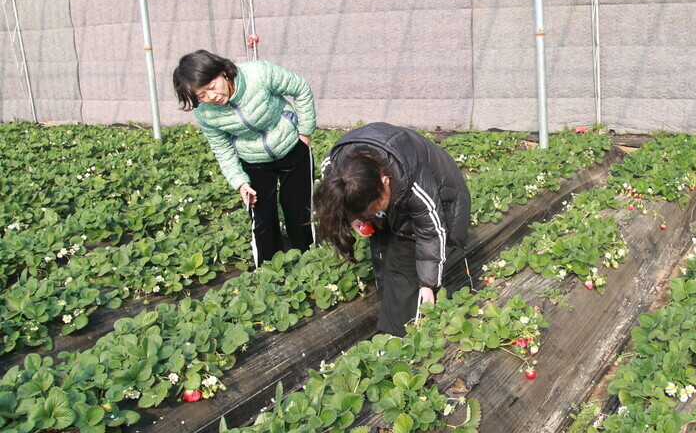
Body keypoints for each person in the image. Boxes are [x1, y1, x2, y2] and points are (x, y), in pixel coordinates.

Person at [315, 122, 471, 335]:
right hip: (398, 192)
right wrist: (355, 219)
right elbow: (343, 205)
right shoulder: (337, 173)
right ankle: (393, 309)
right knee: (383, 251)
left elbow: (431, 234)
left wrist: (427, 284)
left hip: (444, 197)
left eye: (377, 208)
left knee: (404, 268)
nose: (375, 215)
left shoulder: (412, 178)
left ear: (385, 180)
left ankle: (402, 338)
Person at [172, 49, 317, 266]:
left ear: (223, 72)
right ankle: (270, 270)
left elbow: (301, 87)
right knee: (262, 218)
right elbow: (221, 147)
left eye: (211, 87)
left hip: (290, 144)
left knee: (298, 208)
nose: (211, 97)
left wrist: (304, 131)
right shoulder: (204, 112)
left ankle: (307, 260)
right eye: (201, 95)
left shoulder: (259, 73)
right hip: (253, 159)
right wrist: (239, 181)